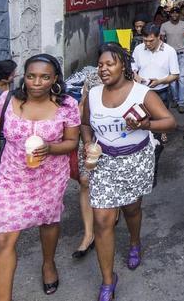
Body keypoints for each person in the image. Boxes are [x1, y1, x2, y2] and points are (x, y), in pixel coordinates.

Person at [0, 54, 81, 299]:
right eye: (31, 76)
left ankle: (48, 263)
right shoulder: (7, 99)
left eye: (44, 77)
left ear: (55, 79)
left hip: (50, 177)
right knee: (3, 240)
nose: (36, 82)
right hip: (12, 178)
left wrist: (50, 148)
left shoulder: (67, 105)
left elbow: (72, 142)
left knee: (49, 221)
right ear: (24, 77)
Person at [81, 43, 176, 301]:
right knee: (102, 220)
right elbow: (86, 123)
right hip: (104, 163)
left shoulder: (142, 93)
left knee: (131, 209)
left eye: (109, 64)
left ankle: (134, 242)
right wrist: (88, 142)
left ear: (123, 65)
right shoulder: (92, 94)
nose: (103, 69)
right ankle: (108, 281)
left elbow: (170, 121)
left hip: (135, 159)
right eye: (100, 65)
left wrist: (146, 124)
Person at [132, 23, 179, 185]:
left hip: (161, 93)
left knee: (157, 135)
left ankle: (152, 172)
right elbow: (133, 68)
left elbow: (175, 75)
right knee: (140, 130)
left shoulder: (170, 51)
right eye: (145, 40)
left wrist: (159, 81)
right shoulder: (138, 49)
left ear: (160, 37)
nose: (147, 44)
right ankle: (139, 169)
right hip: (141, 94)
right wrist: (136, 76)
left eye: (151, 40)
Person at [71, 68, 105, 259]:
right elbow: (83, 104)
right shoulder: (92, 78)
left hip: (113, 137)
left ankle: (108, 220)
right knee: (85, 182)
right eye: (101, 63)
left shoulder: (127, 78)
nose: (105, 68)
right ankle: (88, 235)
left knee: (108, 183)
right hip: (89, 137)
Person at [160, 7, 184, 113]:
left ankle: (181, 103)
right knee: (172, 80)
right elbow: (161, 42)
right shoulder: (164, 26)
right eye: (173, 13)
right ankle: (175, 99)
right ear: (170, 14)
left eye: (176, 13)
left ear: (180, 14)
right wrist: (161, 55)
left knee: (182, 78)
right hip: (170, 56)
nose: (174, 15)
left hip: (182, 54)